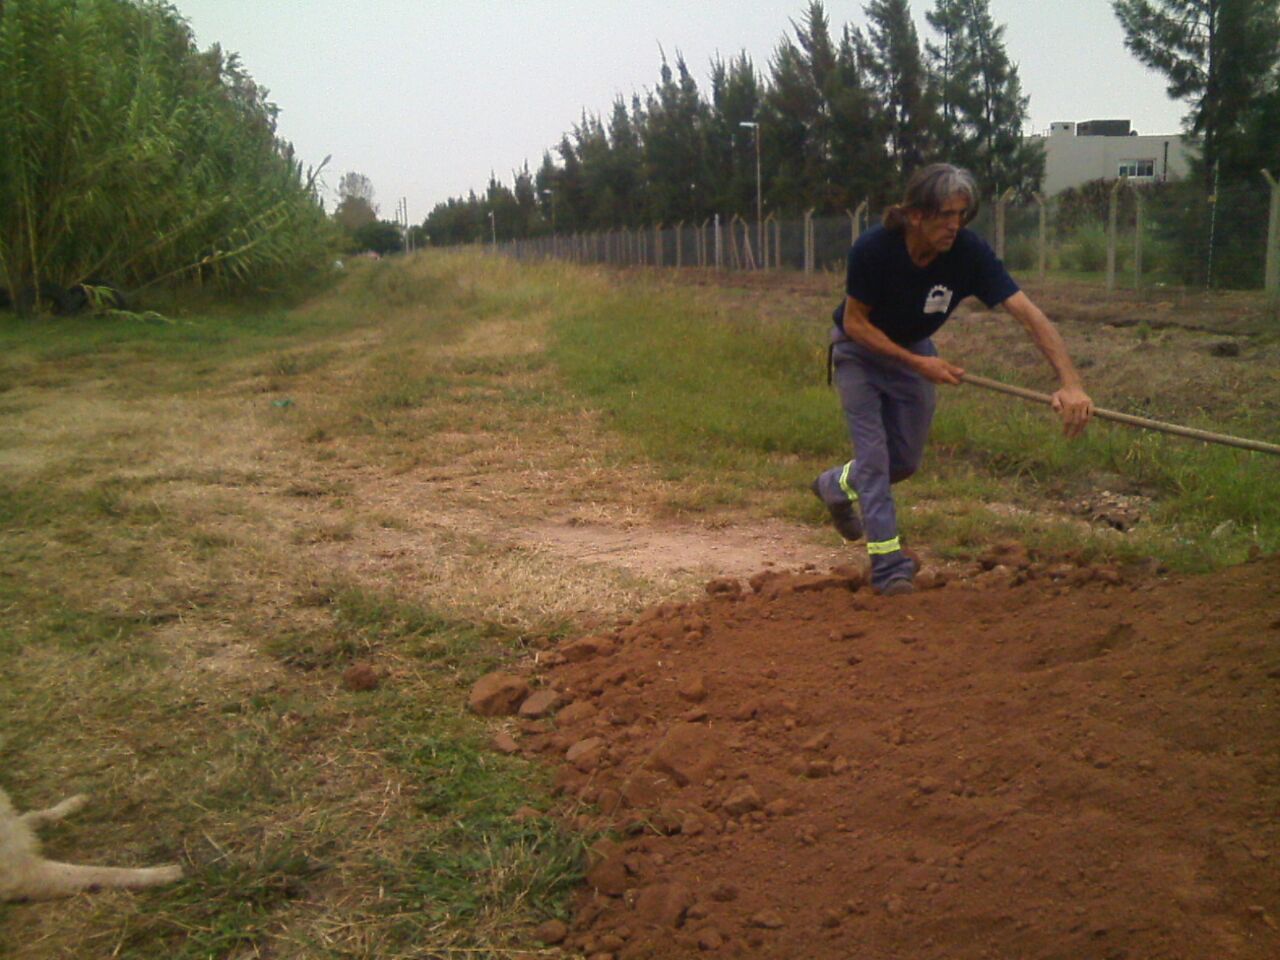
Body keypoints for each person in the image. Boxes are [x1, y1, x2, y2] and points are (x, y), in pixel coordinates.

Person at [811, 163, 1093, 596]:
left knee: (902, 462)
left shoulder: (968, 254)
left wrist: (1070, 382)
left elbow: (1028, 314)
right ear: (915, 214)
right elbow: (856, 324)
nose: (954, 225)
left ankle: (835, 484)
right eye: (945, 214)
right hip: (859, 354)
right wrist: (919, 364)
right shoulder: (874, 250)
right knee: (874, 456)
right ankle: (889, 568)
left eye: (962, 214)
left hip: (914, 351)